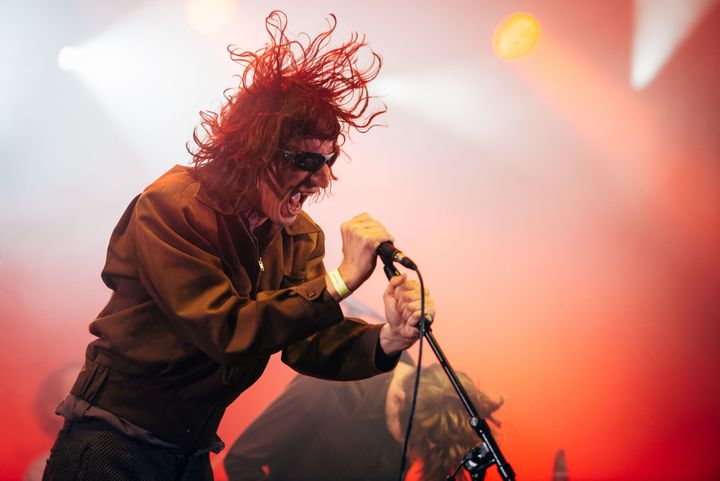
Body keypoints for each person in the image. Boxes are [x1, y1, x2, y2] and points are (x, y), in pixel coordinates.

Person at [42, 10, 434, 481]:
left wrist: (386, 339)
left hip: (190, 452)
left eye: (328, 159)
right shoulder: (174, 207)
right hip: (114, 443)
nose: (322, 177)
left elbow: (305, 340)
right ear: (254, 150)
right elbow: (225, 329)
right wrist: (340, 280)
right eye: (306, 159)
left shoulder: (298, 234)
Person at [224, 361, 503, 481]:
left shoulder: (420, 417)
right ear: (398, 398)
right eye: (412, 443)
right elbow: (240, 461)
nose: (411, 455)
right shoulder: (327, 387)